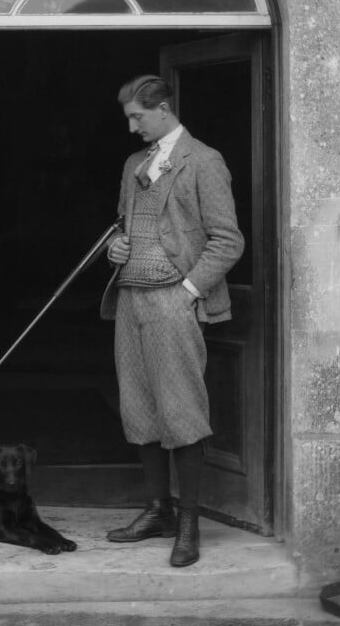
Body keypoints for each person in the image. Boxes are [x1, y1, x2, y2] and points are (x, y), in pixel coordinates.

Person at [100, 75, 244, 567]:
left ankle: (189, 523)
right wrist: (114, 248)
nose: (133, 127)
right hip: (130, 300)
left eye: (138, 117)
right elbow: (123, 226)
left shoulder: (204, 161)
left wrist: (187, 291)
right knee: (139, 409)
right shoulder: (132, 164)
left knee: (181, 412)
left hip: (173, 300)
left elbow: (228, 240)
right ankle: (157, 511)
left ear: (162, 109)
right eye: (129, 119)